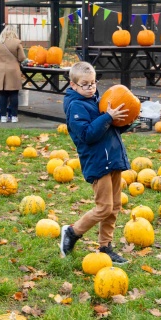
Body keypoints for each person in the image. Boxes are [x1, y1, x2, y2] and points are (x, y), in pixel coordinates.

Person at [59, 62, 131, 265]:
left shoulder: (97, 100)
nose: (91, 88)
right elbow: (87, 135)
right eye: (85, 84)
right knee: (104, 207)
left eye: (93, 83)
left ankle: (105, 247)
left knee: (114, 206)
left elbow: (111, 129)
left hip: (113, 158)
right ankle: (72, 232)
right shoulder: (76, 106)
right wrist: (107, 117)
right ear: (73, 85)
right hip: (97, 162)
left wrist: (125, 120)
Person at [0, 25, 26, 123]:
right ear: (14, 32)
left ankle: (3, 116)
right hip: (13, 70)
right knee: (14, 93)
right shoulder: (17, 42)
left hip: (1, 70)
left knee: (2, 94)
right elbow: (22, 58)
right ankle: (14, 116)